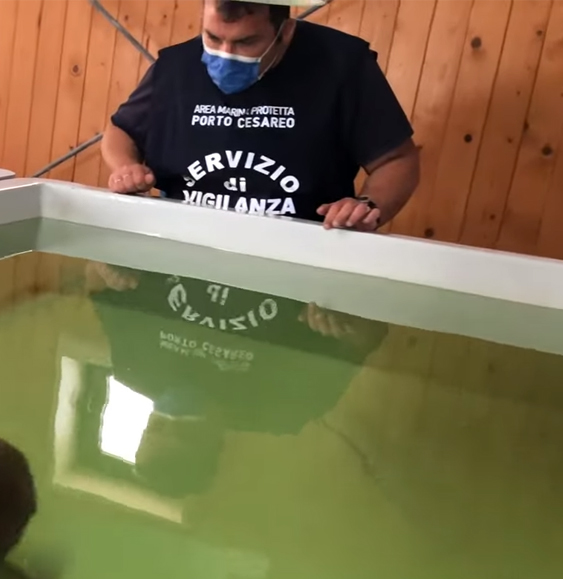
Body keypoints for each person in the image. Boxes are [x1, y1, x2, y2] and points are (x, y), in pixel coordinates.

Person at [103, 0, 420, 231]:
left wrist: (366, 207)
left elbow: (396, 160)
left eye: (246, 41)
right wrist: (125, 167)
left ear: (286, 31)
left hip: (300, 249)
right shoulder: (174, 67)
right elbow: (121, 131)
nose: (225, 54)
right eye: (212, 38)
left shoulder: (343, 66)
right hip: (182, 238)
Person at [86, 260, 386, 498]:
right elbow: (372, 333)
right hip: (297, 244)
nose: (173, 416)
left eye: (158, 425)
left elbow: (97, 284)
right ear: (216, 444)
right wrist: (344, 317)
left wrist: (108, 270)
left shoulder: (134, 367)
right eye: (186, 432)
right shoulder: (287, 409)